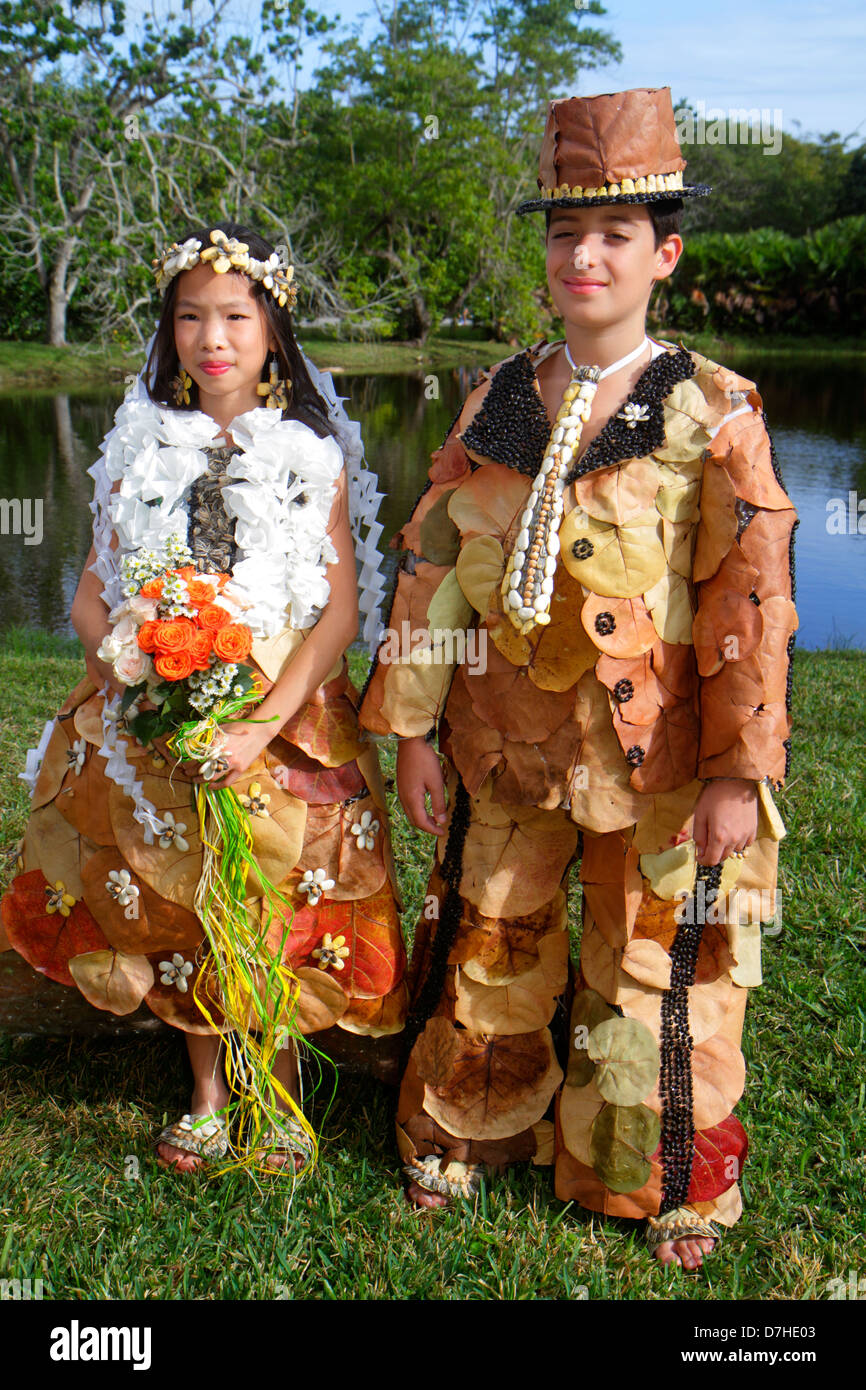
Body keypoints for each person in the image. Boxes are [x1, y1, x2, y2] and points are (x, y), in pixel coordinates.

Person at [359, 88, 798, 1269]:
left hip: (656, 753)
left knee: (651, 959)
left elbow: (747, 611)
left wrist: (733, 774)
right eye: (563, 233)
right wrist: (409, 728)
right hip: (506, 737)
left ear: (663, 254)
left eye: (612, 234)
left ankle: (655, 1175)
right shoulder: (500, 393)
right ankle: (467, 1130)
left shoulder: (712, 410)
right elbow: (435, 569)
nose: (583, 256)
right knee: (492, 936)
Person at [1, 221, 405, 1175]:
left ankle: (281, 1086)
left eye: (234, 315)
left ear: (273, 329)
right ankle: (207, 1088)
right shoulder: (138, 443)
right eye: (189, 317)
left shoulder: (313, 452)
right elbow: (91, 588)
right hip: (154, 699)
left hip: (281, 706)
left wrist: (262, 721)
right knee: (170, 886)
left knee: (276, 884)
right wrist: (129, 669)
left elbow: (341, 611)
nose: (210, 337)